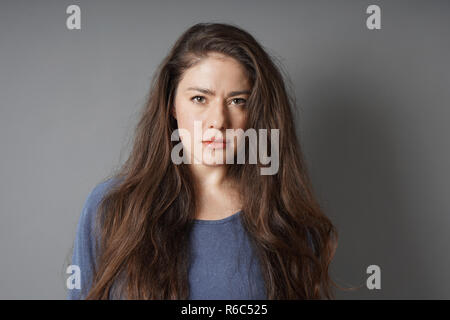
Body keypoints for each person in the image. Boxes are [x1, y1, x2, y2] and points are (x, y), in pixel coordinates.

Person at [67, 22, 338, 300]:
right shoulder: (111, 208)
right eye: (199, 98)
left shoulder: (283, 221)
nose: (219, 121)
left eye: (237, 101)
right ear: (171, 104)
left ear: (256, 112)